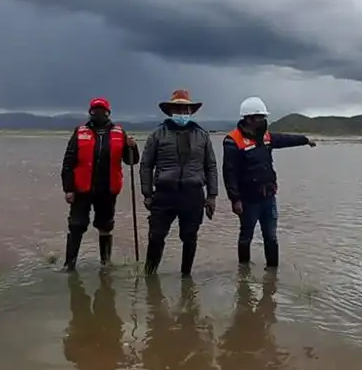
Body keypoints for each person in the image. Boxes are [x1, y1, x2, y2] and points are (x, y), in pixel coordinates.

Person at [222, 96, 315, 269]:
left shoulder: (265, 137)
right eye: (260, 118)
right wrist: (235, 199)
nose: (264, 120)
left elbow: (285, 140)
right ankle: (243, 273)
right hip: (248, 201)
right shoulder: (232, 141)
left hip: (269, 197)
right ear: (249, 118)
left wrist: (305, 140)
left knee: (271, 236)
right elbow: (229, 173)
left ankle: (272, 274)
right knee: (246, 236)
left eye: (264, 117)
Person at [139, 89, 218, 276]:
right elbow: (146, 165)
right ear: (170, 111)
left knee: (189, 238)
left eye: (185, 110)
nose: (182, 113)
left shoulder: (202, 136)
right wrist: (147, 194)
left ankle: (186, 278)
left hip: (193, 194)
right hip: (164, 194)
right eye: (178, 109)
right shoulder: (157, 134)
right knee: (156, 237)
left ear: (191, 112)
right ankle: (149, 277)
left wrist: (212, 196)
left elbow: (211, 166)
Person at [60, 97, 140, 270]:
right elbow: (68, 163)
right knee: (76, 225)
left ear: (108, 112)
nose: (98, 113)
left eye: (102, 110)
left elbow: (131, 161)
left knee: (105, 225)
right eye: (95, 110)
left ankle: (105, 263)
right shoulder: (80, 132)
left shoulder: (119, 132)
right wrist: (68, 189)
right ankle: (70, 264)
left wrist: (132, 147)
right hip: (82, 188)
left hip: (107, 189)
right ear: (90, 112)